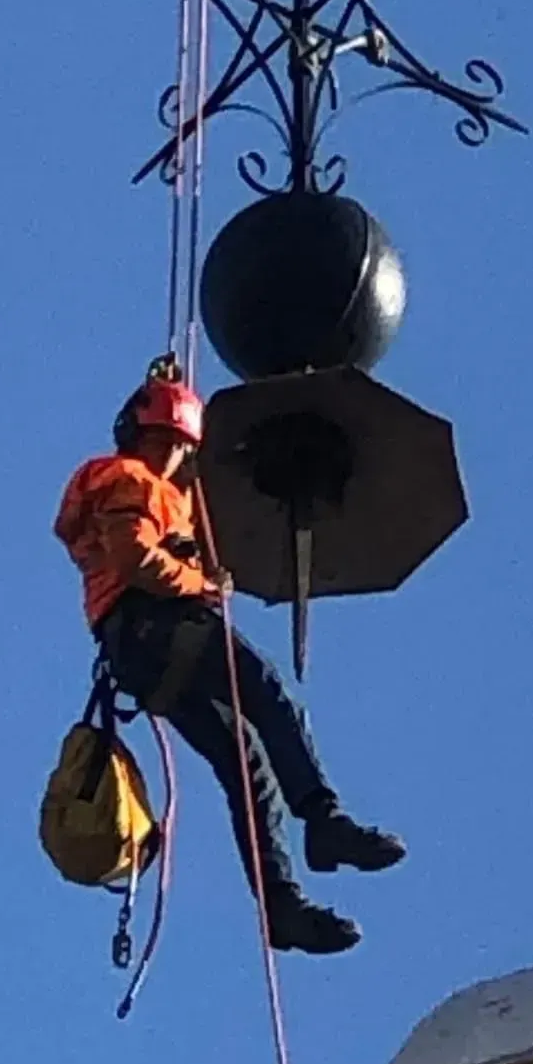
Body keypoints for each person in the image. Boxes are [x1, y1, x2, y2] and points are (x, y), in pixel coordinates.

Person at [54, 365, 405, 954]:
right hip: (159, 624)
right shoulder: (133, 481)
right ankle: (323, 818)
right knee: (266, 694)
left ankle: (282, 906)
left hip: (140, 649)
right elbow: (137, 559)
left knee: (244, 762)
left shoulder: (145, 486)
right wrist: (200, 585)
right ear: (167, 442)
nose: (176, 461)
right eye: (175, 448)